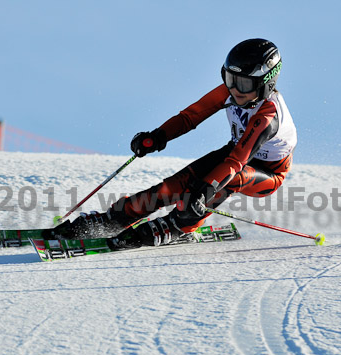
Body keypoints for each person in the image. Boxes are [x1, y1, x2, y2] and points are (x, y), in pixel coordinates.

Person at [50, 38, 297, 249]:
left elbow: (237, 161)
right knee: (172, 187)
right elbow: (191, 116)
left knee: (224, 180)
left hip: (266, 173)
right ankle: (115, 219)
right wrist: (158, 136)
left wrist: (206, 188)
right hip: (234, 156)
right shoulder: (230, 92)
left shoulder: (269, 115)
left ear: (267, 83)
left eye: (243, 83)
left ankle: (181, 225)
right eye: (230, 79)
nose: (234, 89)